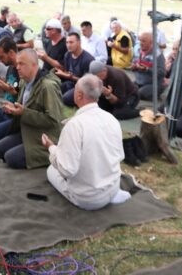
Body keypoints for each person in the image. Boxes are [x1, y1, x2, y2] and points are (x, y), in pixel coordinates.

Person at [42, 75, 130, 210]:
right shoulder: (111, 119)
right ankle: (109, 192)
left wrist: (51, 148)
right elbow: (119, 156)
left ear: (79, 95)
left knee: (51, 170)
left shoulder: (74, 126)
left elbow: (66, 170)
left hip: (88, 199)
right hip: (113, 188)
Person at [0, 49, 63, 169]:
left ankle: (54, 153)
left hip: (45, 137)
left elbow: (53, 121)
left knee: (11, 158)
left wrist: (23, 113)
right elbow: (24, 107)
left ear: (34, 65)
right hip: (27, 129)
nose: (17, 67)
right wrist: (13, 109)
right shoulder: (24, 82)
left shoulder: (48, 87)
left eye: (22, 64)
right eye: (17, 63)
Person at [56, 33, 94, 106]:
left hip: (84, 88)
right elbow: (67, 72)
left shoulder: (88, 59)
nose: (68, 45)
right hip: (71, 83)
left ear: (79, 43)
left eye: (71, 42)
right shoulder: (67, 55)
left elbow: (88, 83)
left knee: (65, 99)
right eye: (67, 42)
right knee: (55, 90)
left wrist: (70, 77)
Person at [130, 31, 165, 101]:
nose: (140, 43)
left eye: (143, 41)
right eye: (140, 40)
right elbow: (133, 64)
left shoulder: (158, 55)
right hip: (139, 82)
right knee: (126, 88)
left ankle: (155, 94)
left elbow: (162, 73)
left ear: (151, 43)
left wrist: (147, 69)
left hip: (152, 84)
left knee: (139, 93)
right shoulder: (138, 51)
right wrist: (133, 67)